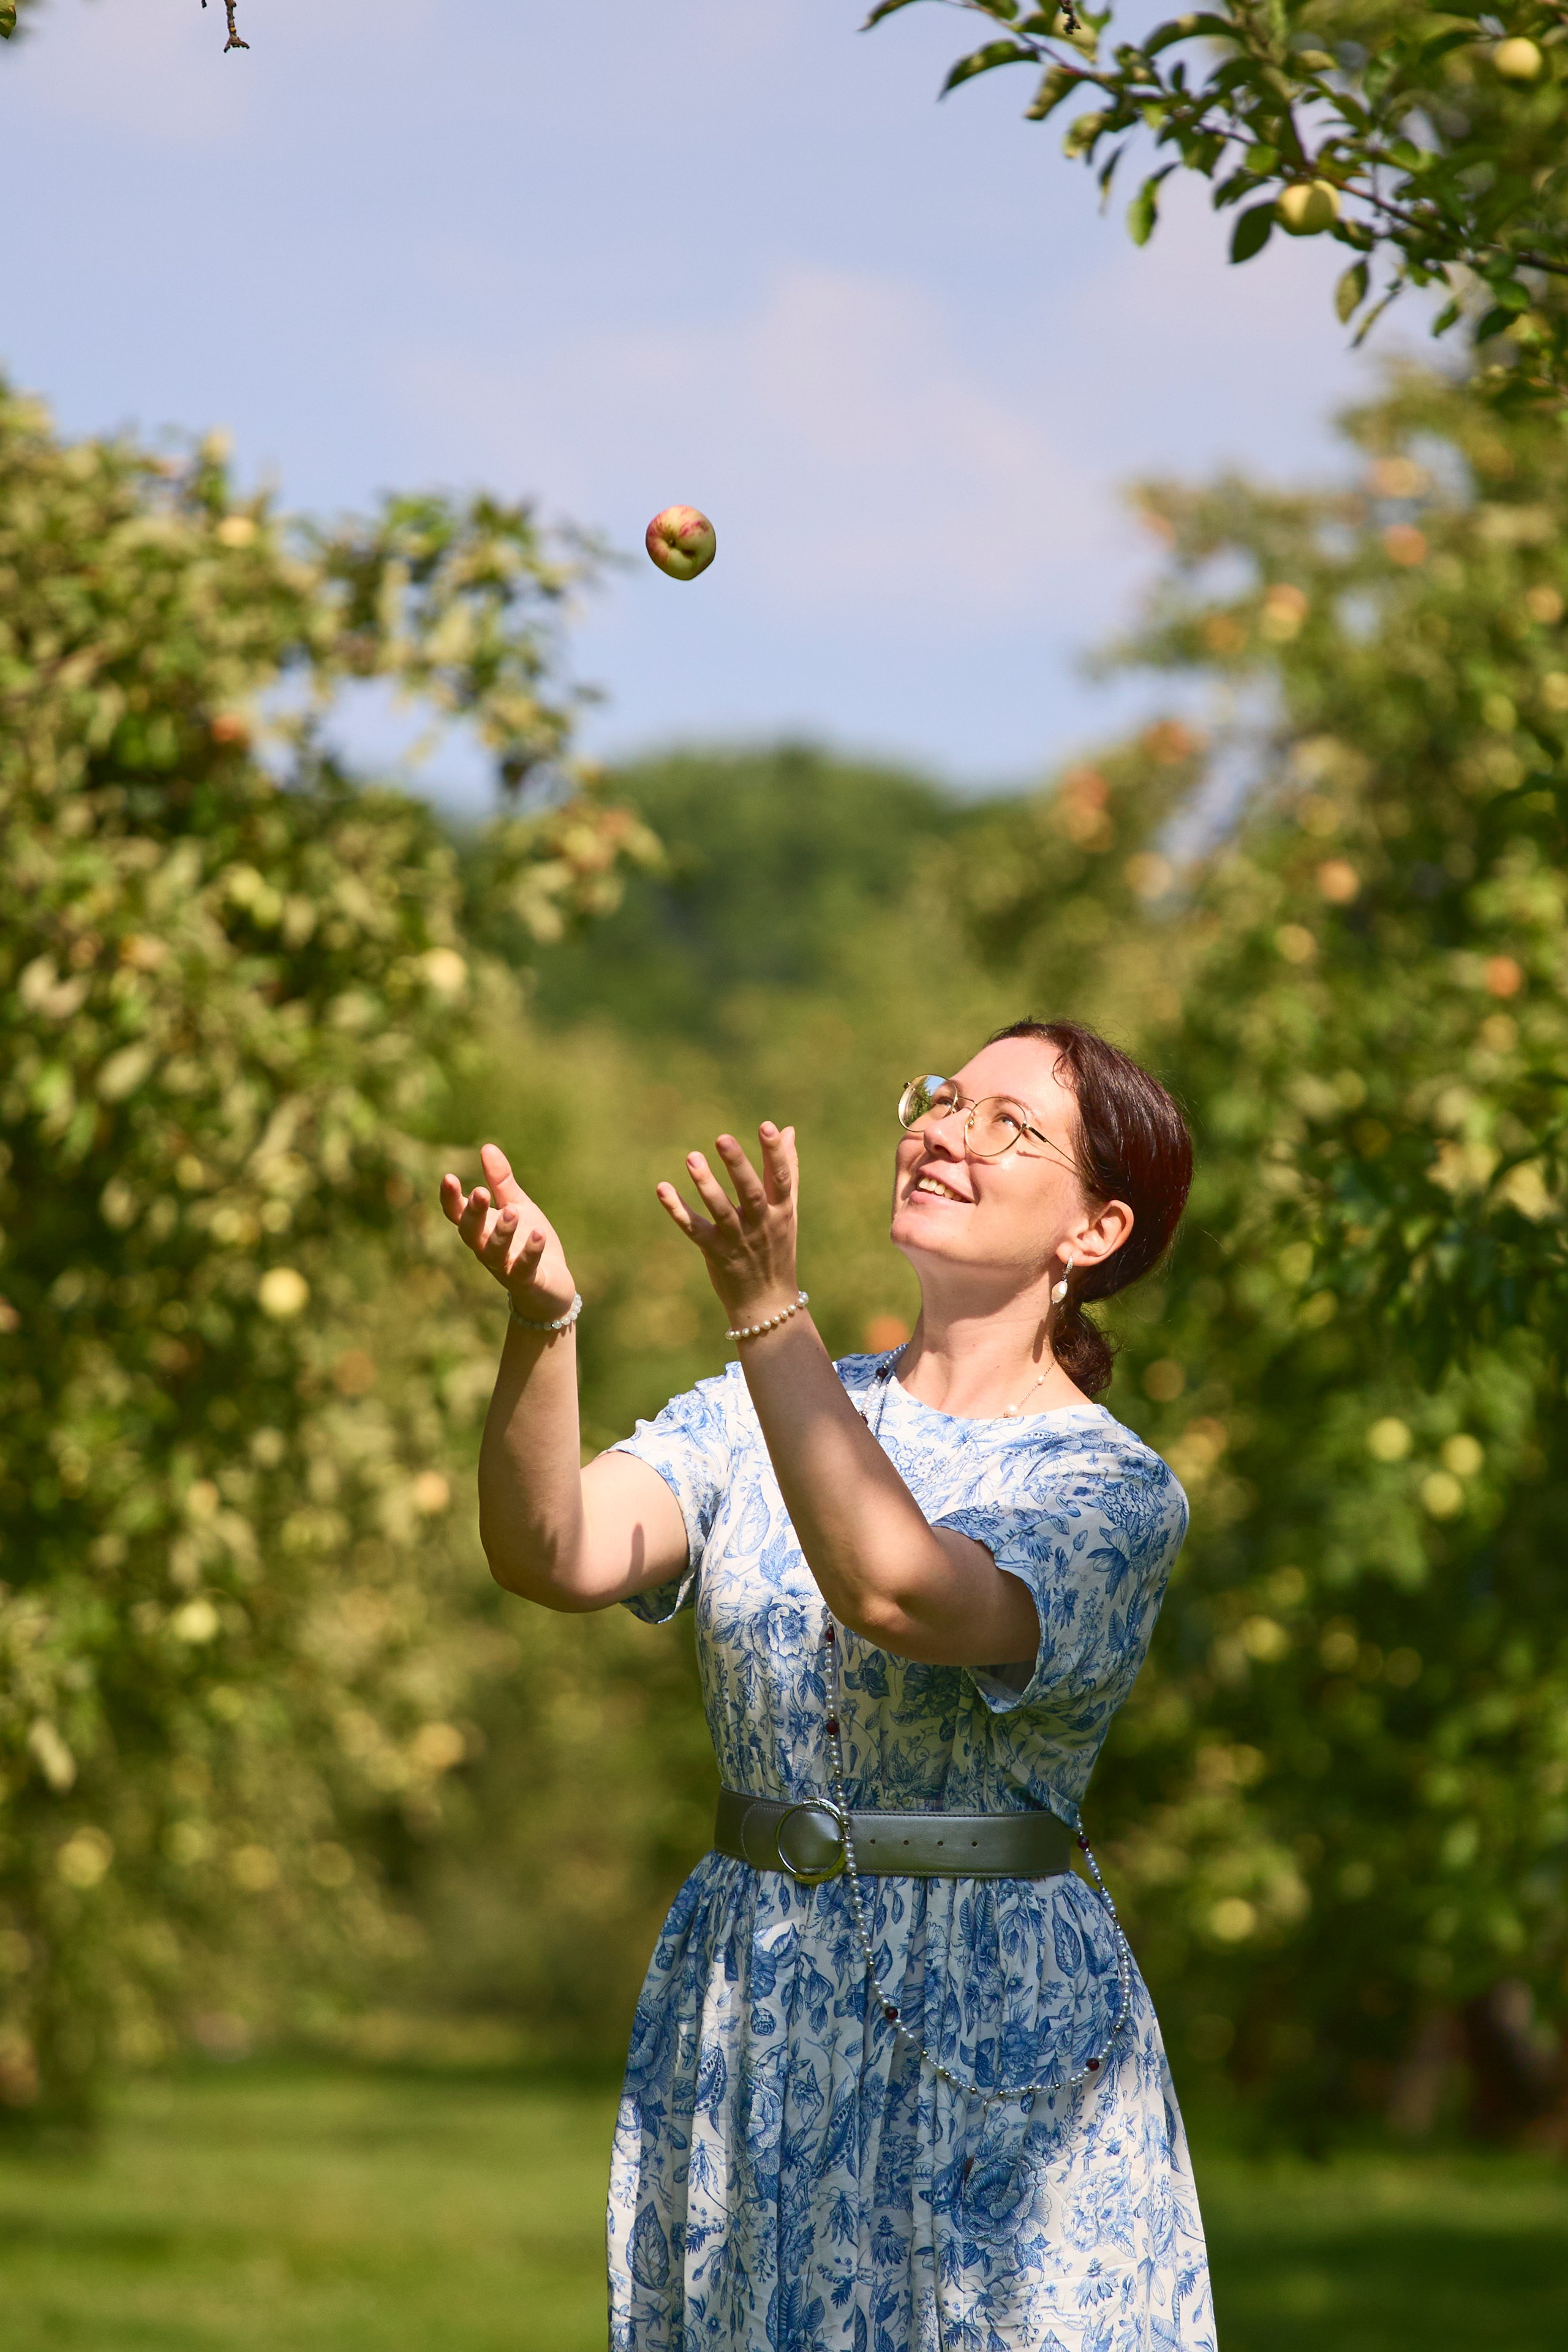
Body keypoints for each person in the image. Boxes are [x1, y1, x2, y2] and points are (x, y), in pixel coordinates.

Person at [440, 1017, 1215, 2352]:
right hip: (753, 1987)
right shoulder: (759, 1409)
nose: (942, 1132)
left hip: (996, 2023)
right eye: (939, 1099)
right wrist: (543, 1326)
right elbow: (552, 1549)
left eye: (1006, 1124)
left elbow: (895, 1590)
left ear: (1091, 1235)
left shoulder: (1107, 1489)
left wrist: (763, 1310)